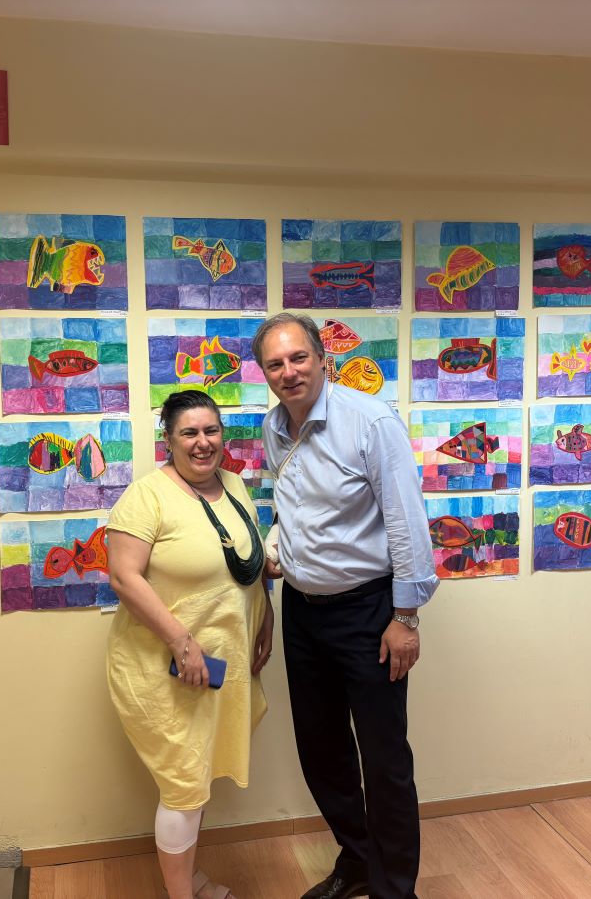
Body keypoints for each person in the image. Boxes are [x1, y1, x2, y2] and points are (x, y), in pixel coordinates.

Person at [254, 313, 438, 899]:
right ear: (265, 373)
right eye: (276, 364)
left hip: (369, 614)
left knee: (384, 759)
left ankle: (394, 889)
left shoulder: (370, 421)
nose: (289, 372)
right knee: (320, 749)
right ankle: (358, 860)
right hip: (304, 613)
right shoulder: (273, 427)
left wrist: (405, 618)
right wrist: (280, 549)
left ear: (322, 359)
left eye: (298, 358)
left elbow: (406, 521)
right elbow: (292, 507)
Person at [106, 389, 275, 899]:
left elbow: (246, 564)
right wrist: (182, 643)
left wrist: (265, 618)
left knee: (197, 779)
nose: (203, 442)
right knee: (183, 783)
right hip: (164, 667)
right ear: (169, 439)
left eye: (211, 430)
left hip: (221, 664)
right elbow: (124, 577)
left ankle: (190, 880)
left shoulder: (234, 484)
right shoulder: (147, 496)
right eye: (189, 433)